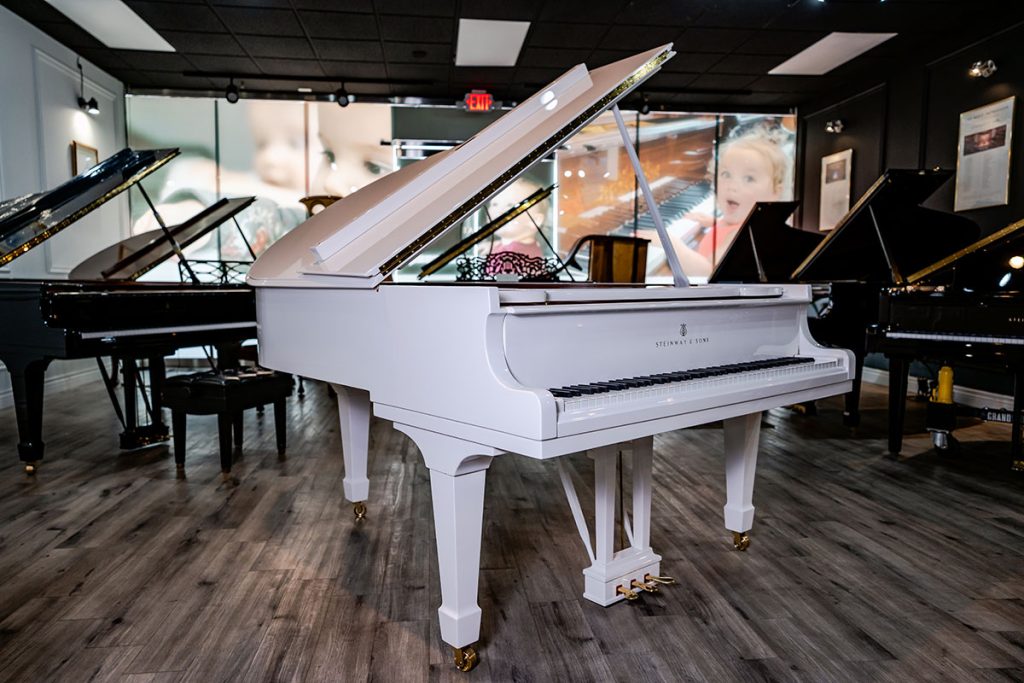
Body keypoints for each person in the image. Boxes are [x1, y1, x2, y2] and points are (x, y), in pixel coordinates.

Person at [645, 131, 792, 279]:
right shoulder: (742, 223)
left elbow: (709, 273)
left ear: (775, 192)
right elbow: (728, 229)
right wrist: (714, 223)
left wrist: (670, 243)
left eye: (749, 178)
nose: (732, 186)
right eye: (726, 174)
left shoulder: (743, 236)